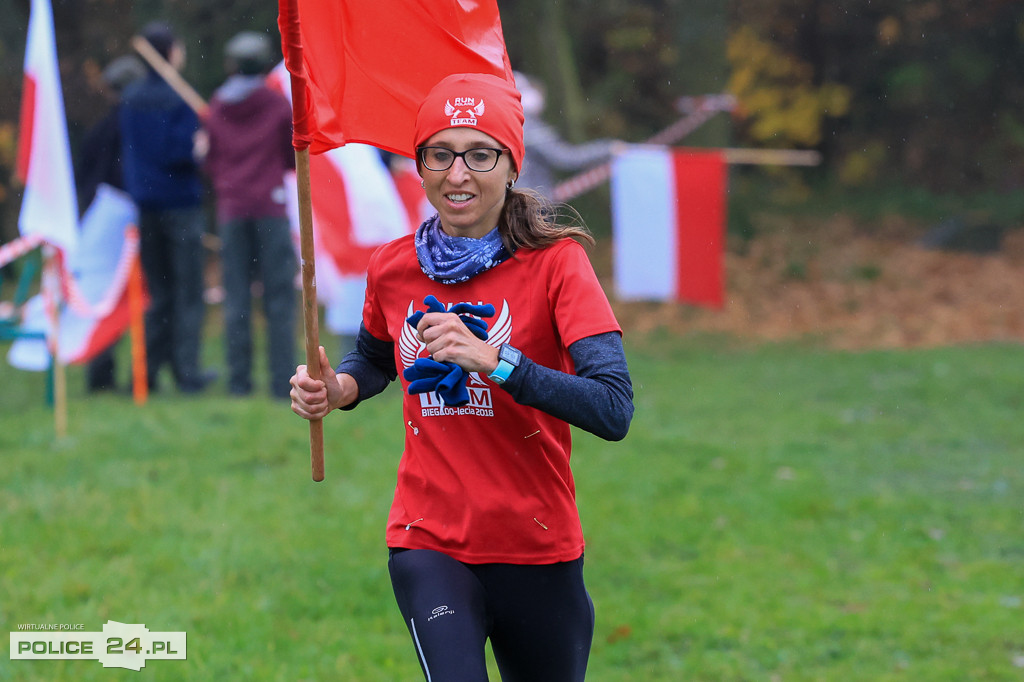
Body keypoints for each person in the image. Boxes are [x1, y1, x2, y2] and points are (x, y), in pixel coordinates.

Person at [289, 73, 634, 681]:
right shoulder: (393, 266)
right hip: (430, 538)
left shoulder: (558, 265)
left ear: (511, 164)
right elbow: (371, 359)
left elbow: (612, 408)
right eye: (439, 154)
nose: (457, 174)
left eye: (479, 154)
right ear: (419, 165)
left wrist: (497, 361)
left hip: (536, 541)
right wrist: (337, 389)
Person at [196, 31, 296, 398]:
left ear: (231, 64)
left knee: (236, 295)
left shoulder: (217, 107)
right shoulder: (277, 104)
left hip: (233, 208)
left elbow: (210, 161)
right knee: (278, 295)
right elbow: (290, 156)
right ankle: (281, 379)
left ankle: (239, 382)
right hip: (270, 206)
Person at [119, 21, 213, 393]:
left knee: (158, 293)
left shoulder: (131, 97)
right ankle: (186, 373)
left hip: (146, 205)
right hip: (180, 205)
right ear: (171, 52)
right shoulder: (178, 98)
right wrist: (200, 147)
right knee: (188, 291)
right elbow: (176, 152)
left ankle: (147, 374)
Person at [75, 54, 146, 392]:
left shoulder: (99, 130)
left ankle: (103, 374)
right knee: (116, 297)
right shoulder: (129, 127)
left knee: (100, 295)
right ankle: (113, 375)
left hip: (97, 220)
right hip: (124, 221)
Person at [514, 71, 621, 200]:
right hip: (528, 205)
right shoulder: (528, 128)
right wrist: (608, 149)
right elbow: (566, 158)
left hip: (518, 204)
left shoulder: (508, 128)